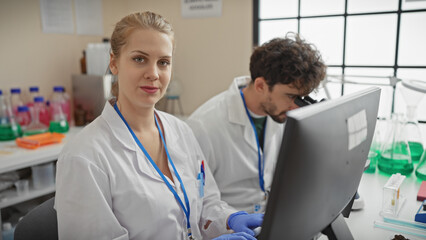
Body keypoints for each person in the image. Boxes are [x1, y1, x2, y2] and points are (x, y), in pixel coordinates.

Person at [55, 11, 262, 240]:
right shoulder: (84, 157)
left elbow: (205, 203)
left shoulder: (181, 130)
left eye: (163, 62)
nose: (153, 74)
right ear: (114, 63)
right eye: (139, 59)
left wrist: (229, 219)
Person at [186, 33, 327, 213]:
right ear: (260, 85)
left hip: (271, 215)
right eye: (291, 96)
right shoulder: (203, 126)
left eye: (300, 98)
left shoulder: (279, 112)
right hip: (230, 226)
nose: (295, 106)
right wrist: (232, 221)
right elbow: (196, 201)